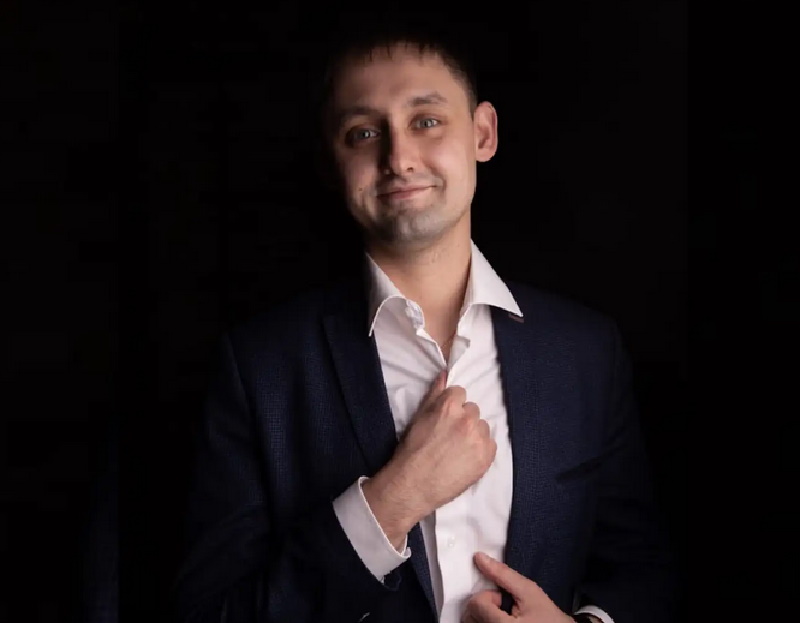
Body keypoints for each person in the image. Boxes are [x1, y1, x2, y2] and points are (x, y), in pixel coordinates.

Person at [174, 16, 678, 623]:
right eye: (363, 133)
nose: (399, 158)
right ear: (333, 162)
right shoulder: (259, 369)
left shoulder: (587, 351)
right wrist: (393, 500)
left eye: (426, 121)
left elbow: (643, 573)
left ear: (483, 133)